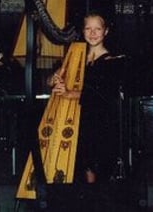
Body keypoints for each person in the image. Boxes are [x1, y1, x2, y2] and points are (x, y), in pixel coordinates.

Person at [49, 12, 123, 184]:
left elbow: (101, 95)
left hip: (99, 120)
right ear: (83, 31)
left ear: (106, 32)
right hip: (76, 117)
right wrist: (53, 78)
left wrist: (68, 93)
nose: (93, 33)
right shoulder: (76, 56)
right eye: (88, 29)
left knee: (91, 166)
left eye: (98, 29)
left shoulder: (112, 61)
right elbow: (51, 81)